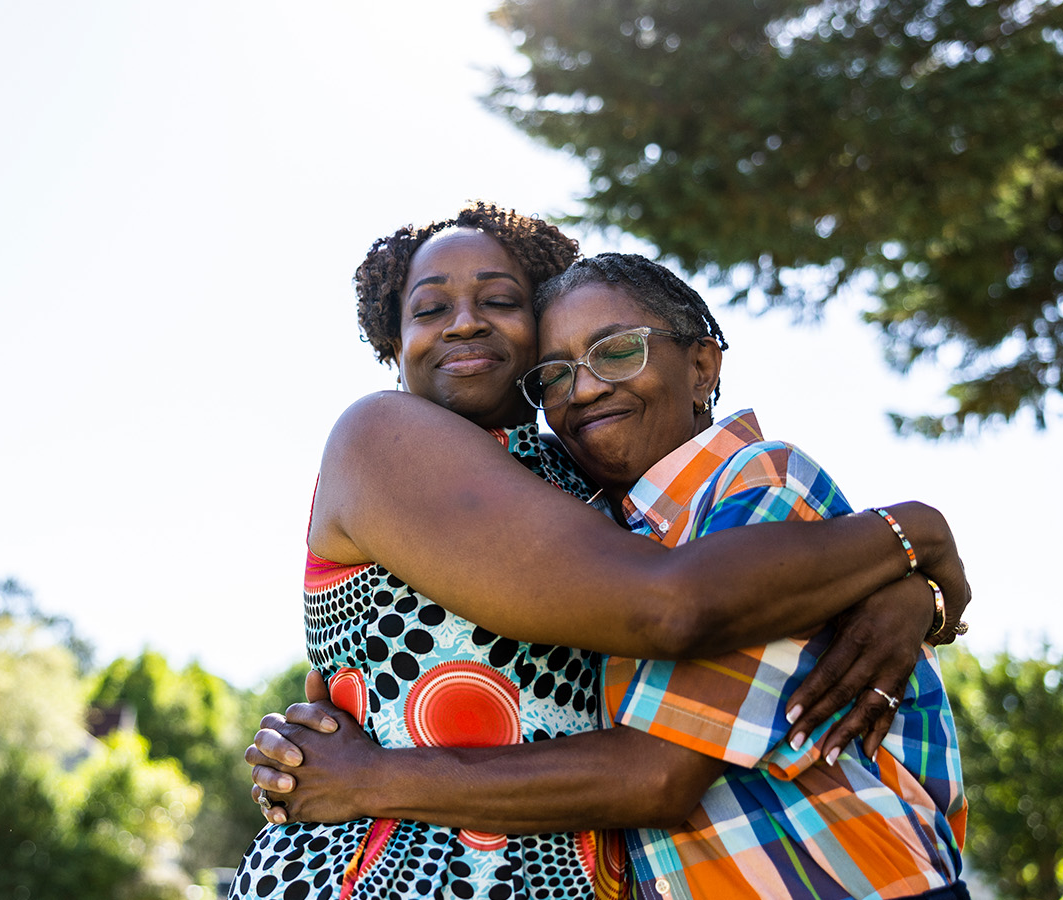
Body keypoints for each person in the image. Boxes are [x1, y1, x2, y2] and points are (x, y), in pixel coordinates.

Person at [227, 204, 967, 900]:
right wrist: (910, 536)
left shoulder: (597, 489)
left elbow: (727, 580)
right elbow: (671, 607)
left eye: (501, 302)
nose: (463, 324)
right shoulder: (382, 437)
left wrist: (903, 585)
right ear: (391, 345)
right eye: (428, 309)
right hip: (399, 871)